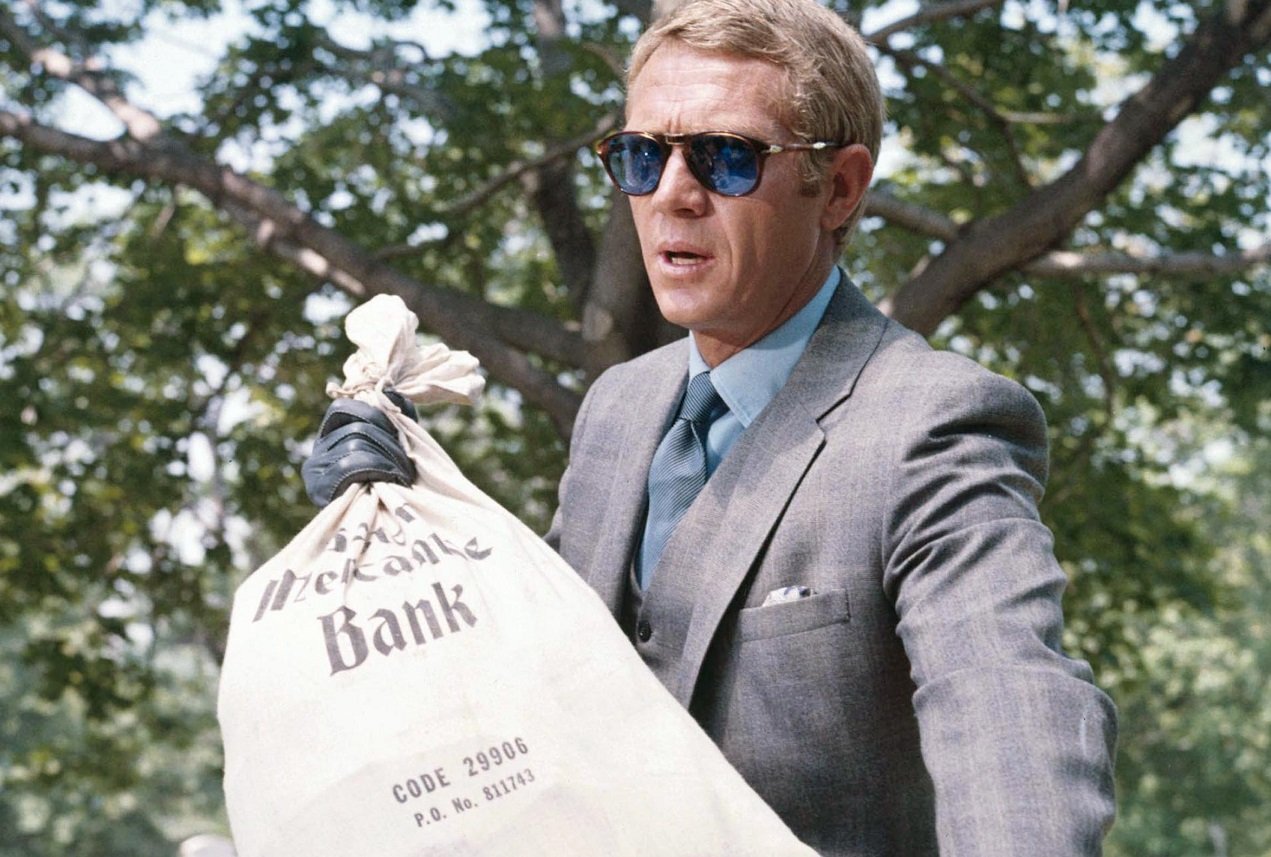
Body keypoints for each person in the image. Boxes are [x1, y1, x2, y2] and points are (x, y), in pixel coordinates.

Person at [303, 0, 1118, 853]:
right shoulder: (616, 409)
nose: (673, 195)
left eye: (726, 158)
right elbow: (530, 684)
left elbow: (1007, 703)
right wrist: (394, 535)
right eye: (641, 156)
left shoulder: (934, 421)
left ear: (838, 187)